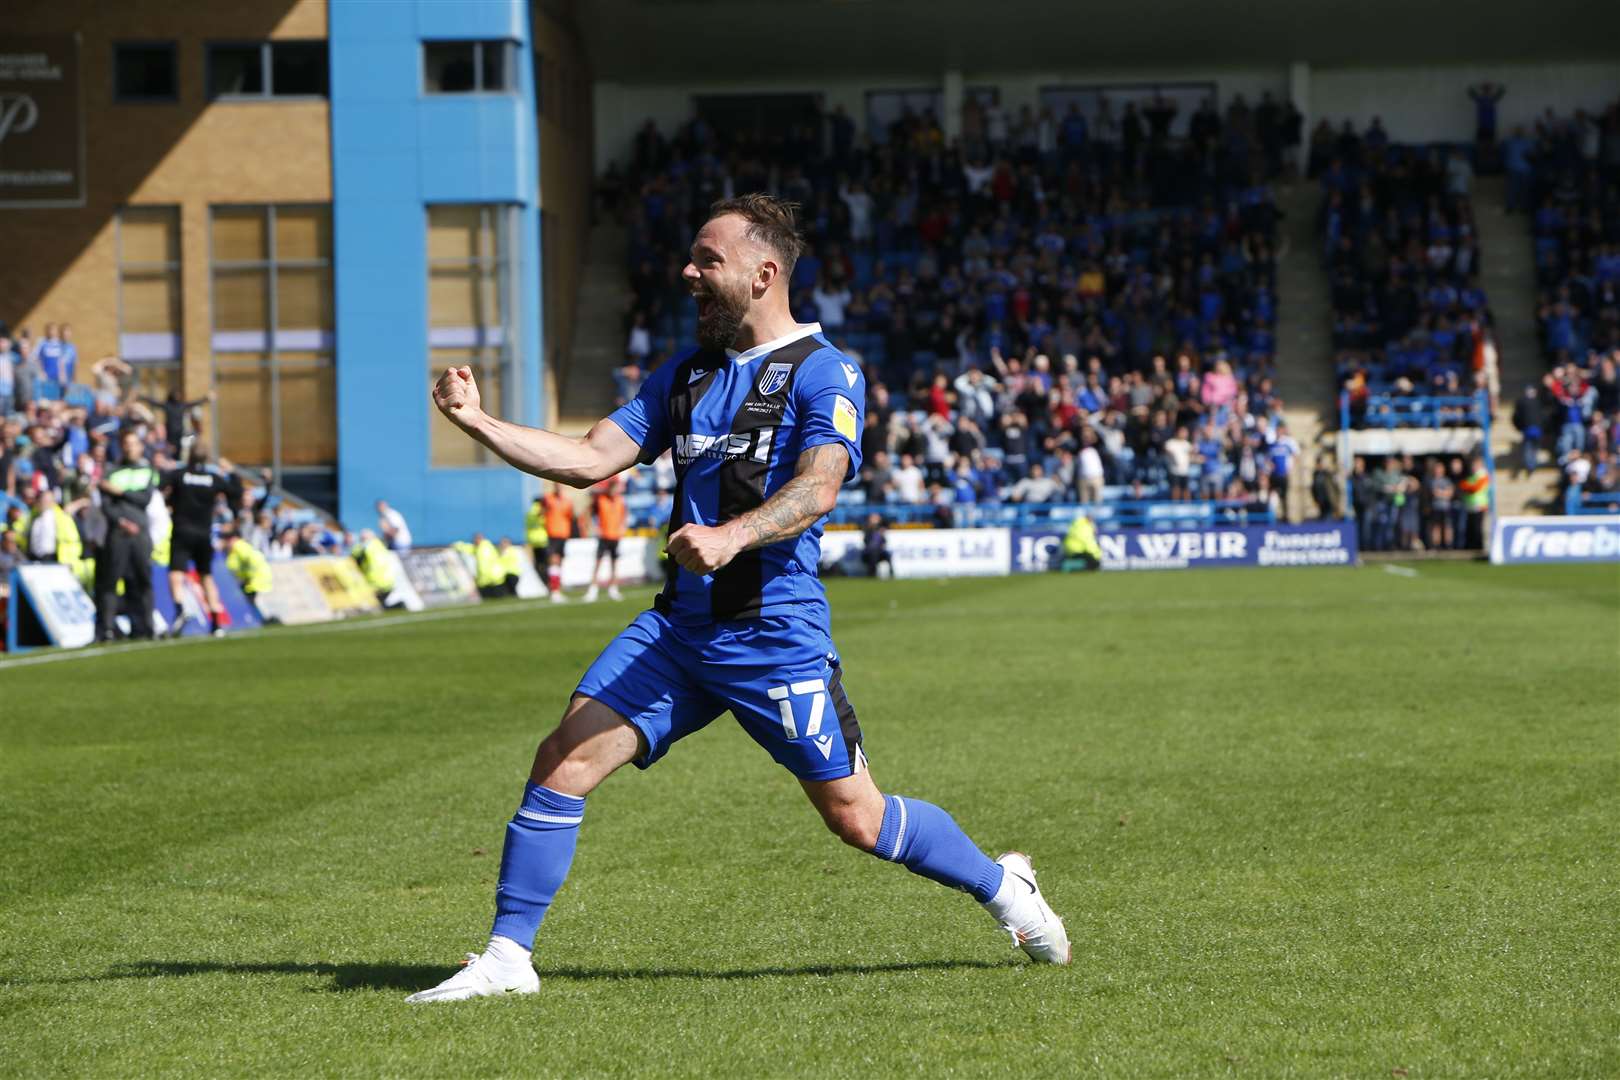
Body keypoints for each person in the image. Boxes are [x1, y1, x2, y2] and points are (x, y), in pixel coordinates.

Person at [407, 193, 1068, 1004]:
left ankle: (1005, 891)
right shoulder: (686, 375)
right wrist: (477, 421)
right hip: (678, 632)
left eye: (705, 260)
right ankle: (509, 957)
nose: (687, 273)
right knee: (562, 761)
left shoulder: (826, 370)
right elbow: (585, 460)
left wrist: (731, 536)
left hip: (771, 635)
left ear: (763, 275)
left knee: (856, 819)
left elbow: (819, 485)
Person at [162, 446, 238, 635]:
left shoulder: (179, 474)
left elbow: (160, 486)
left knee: (176, 571)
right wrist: (232, 472)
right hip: (204, 533)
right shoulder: (213, 478)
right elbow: (235, 492)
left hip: (182, 530)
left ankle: (180, 608)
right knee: (206, 576)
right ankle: (216, 620)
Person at [95, 430, 159, 642]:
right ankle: (107, 629)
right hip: (118, 533)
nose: (130, 447)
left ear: (140, 447)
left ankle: (145, 626)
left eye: (134, 443)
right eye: (126, 443)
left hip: (140, 533)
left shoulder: (147, 470)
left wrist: (120, 492)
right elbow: (106, 505)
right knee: (111, 581)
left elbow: (144, 499)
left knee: (142, 581)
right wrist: (121, 521)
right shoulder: (111, 471)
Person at [585, 476, 627, 603]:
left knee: (614, 563)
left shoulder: (620, 501)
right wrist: (593, 527)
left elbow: (624, 516)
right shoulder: (601, 500)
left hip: (615, 536)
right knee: (598, 563)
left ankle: (613, 588)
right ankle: (593, 589)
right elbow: (589, 512)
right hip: (604, 536)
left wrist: (622, 527)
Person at [218, 523, 271, 621]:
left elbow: (253, 560)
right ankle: (261, 619)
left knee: (248, 600)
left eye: (227, 539)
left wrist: (249, 577)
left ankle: (261, 620)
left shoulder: (240, 547)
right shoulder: (232, 551)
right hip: (250, 581)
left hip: (254, 580)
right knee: (249, 601)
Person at [541, 483, 574, 601]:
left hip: (563, 534)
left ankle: (556, 588)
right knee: (554, 560)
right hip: (553, 533)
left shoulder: (567, 501)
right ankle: (554, 590)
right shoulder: (548, 498)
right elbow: (542, 512)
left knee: (559, 562)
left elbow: (570, 516)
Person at [352, 528, 401, 608]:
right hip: (388, 581)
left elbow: (354, 557)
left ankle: (395, 605)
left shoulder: (364, 547)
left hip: (374, 583)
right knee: (382, 603)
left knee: (376, 605)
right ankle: (396, 605)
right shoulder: (380, 544)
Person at [524, 494, 550, 596]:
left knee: (538, 565)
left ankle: (546, 584)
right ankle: (550, 584)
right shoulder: (539, 509)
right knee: (547, 564)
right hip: (542, 540)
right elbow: (541, 516)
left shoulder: (529, 512)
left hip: (533, 542)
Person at [860, 511, 891, 578]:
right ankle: (872, 574)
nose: (875, 520)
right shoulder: (867, 528)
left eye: (876, 518)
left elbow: (884, 541)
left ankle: (891, 573)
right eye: (873, 518)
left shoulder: (881, 529)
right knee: (873, 554)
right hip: (869, 552)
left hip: (879, 551)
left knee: (887, 554)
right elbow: (866, 541)